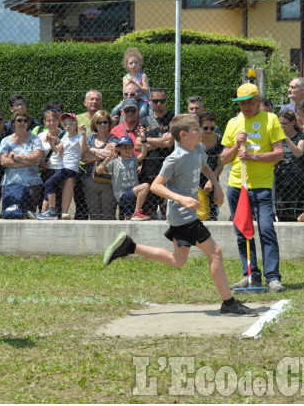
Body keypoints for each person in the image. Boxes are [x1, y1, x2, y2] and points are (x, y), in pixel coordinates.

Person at [103, 114, 257, 316]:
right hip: (183, 216)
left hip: (187, 215)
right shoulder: (174, 159)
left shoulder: (198, 149)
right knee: (215, 253)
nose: (201, 132)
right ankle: (228, 302)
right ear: (184, 135)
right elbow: (157, 186)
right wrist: (181, 199)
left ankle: (130, 246)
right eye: (196, 129)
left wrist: (217, 186)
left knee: (178, 260)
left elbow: (205, 166)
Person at [221, 83, 286, 293]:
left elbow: (279, 154)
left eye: (249, 102)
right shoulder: (233, 123)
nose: (246, 106)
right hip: (237, 186)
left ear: (258, 101)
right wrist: (235, 145)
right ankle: (250, 275)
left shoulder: (271, 120)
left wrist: (253, 157)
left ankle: (273, 277)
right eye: (241, 103)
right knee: (242, 232)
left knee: (266, 229)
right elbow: (223, 158)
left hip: (261, 186)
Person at [30, 113, 87, 220]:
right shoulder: (65, 136)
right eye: (65, 125)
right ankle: (46, 211)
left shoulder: (79, 137)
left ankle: (51, 212)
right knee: (50, 184)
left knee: (49, 183)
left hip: (70, 168)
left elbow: (83, 149)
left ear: (76, 124)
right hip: (64, 168)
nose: (68, 126)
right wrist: (51, 142)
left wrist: (84, 135)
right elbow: (56, 150)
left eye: (71, 123)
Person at [136, 88, 175, 219]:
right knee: (149, 212)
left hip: (167, 171)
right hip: (148, 171)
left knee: (167, 213)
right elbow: (137, 144)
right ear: (150, 101)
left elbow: (169, 143)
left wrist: (145, 141)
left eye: (162, 101)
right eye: (156, 101)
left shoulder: (172, 118)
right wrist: (159, 141)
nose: (159, 104)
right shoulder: (144, 120)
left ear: (166, 101)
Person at [0, 108, 44, 216]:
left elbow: (37, 158)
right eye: (19, 120)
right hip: (10, 183)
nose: (22, 123)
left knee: (29, 215)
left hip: (32, 184)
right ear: (13, 123)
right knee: (11, 214)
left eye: (25, 120)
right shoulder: (6, 141)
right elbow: (3, 161)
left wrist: (15, 157)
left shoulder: (35, 139)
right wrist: (28, 160)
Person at [97, 134, 150, 220]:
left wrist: (143, 139)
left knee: (128, 218)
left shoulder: (133, 160)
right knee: (145, 186)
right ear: (118, 149)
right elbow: (99, 170)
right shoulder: (115, 161)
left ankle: (130, 223)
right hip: (122, 195)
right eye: (124, 147)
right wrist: (108, 159)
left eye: (129, 147)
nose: (127, 150)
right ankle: (137, 212)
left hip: (133, 194)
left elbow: (143, 154)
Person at [274, 110, 304, 222]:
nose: (281, 126)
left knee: (296, 213)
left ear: (293, 122)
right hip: (282, 179)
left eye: (284, 123)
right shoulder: (277, 138)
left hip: (297, 181)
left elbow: (298, 153)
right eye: (279, 123)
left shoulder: (301, 136)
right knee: (281, 212)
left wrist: (286, 138)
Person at [82, 110, 118, 220]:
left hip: (108, 182)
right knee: (94, 216)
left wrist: (91, 150)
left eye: (105, 122)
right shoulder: (89, 138)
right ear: (94, 124)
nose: (102, 125)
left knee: (109, 215)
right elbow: (83, 158)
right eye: (99, 122)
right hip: (90, 181)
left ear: (109, 124)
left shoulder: (114, 138)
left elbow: (111, 155)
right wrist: (102, 154)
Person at [37, 109, 65, 213]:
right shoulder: (40, 136)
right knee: (43, 199)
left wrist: (55, 140)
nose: (51, 123)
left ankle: (47, 213)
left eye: (54, 120)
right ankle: (43, 213)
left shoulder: (65, 135)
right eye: (48, 121)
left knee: (58, 202)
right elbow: (37, 153)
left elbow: (64, 153)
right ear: (44, 122)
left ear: (58, 121)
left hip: (60, 171)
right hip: (46, 171)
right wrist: (40, 163)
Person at [198, 111, 224, 221]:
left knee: (212, 214)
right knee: (198, 214)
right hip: (196, 178)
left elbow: (220, 164)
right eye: (205, 128)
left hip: (213, 177)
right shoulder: (195, 141)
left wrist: (211, 181)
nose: (209, 131)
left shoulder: (219, 140)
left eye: (212, 128)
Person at [121, 47, 151, 118]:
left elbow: (146, 91)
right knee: (115, 110)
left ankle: (143, 126)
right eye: (131, 63)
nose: (133, 65)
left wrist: (135, 82)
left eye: (136, 63)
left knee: (142, 111)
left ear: (139, 64)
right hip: (129, 100)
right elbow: (124, 94)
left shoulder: (143, 76)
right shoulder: (125, 77)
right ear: (126, 65)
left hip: (141, 99)